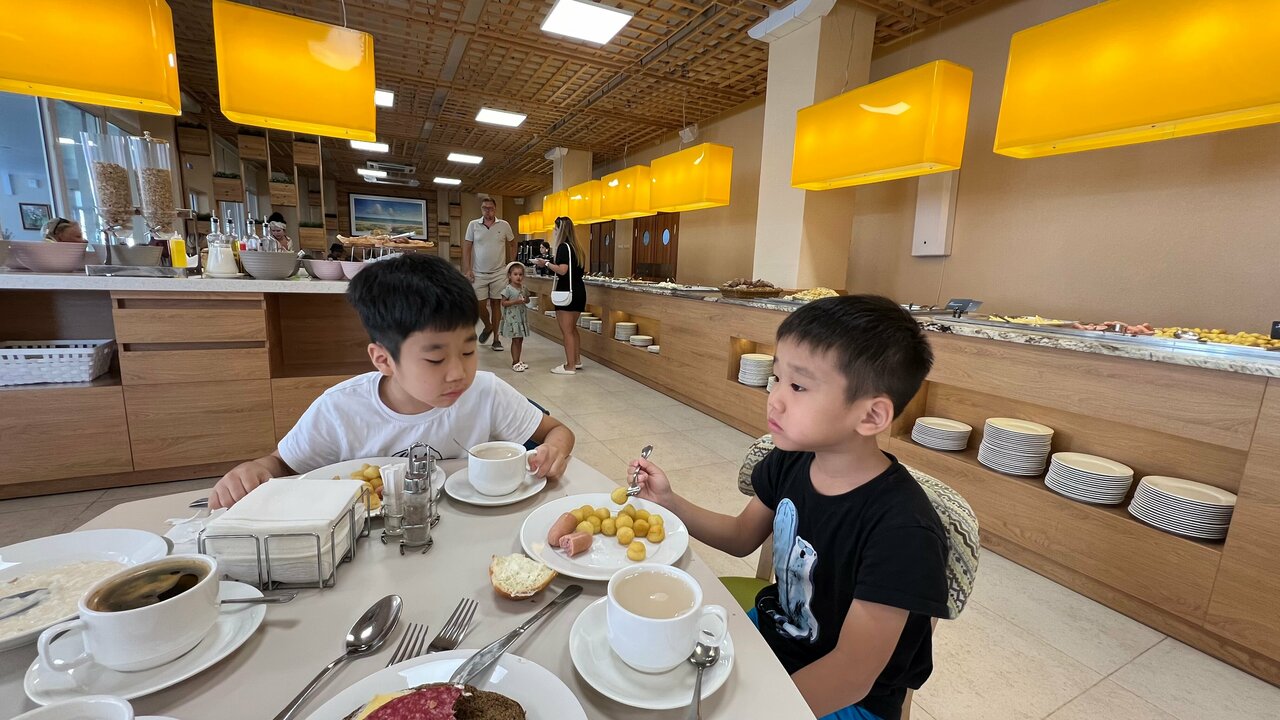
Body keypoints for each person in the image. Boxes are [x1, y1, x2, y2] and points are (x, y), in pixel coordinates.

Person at [629, 295, 947, 720]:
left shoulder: (904, 531)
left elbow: (851, 675)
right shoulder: (791, 460)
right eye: (776, 377)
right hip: (773, 634)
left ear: (872, 416)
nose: (774, 398)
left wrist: (752, 710)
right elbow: (741, 537)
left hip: (846, 700)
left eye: (798, 387)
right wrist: (669, 502)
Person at [209, 253, 575, 509]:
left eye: (467, 351)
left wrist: (552, 452)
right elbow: (283, 465)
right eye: (435, 359)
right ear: (383, 359)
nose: (458, 373)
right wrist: (256, 470)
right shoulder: (340, 408)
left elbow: (558, 431)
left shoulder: (485, 392)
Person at [462, 196, 515, 353]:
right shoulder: (473, 225)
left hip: (499, 272)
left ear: (495, 209)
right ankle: (488, 326)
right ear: (481, 209)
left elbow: (513, 244)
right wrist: (467, 269)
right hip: (478, 273)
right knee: (479, 305)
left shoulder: (504, 225)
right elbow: (467, 247)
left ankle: (496, 339)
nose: (487, 211)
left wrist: (511, 266)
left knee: (496, 304)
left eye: (490, 208)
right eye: (485, 208)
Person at [534, 216, 586, 375]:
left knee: (567, 331)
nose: (554, 232)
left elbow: (563, 270)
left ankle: (570, 366)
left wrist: (546, 263)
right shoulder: (577, 248)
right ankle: (576, 360)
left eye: (555, 229)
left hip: (566, 292)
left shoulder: (563, 247)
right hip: (579, 291)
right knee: (573, 329)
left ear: (560, 230)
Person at [499, 262, 531, 372]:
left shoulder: (524, 288)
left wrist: (526, 299)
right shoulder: (508, 289)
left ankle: (518, 359)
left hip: (521, 317)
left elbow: (527, 300)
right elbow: (503, 303)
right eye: (515, 274)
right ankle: (515, 361)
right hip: (513, 319)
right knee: (515, 340)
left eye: (520, 274)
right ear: (510, 276)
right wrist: (515, 301)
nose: (518, 277)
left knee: (520, 339)